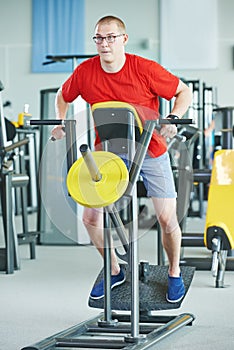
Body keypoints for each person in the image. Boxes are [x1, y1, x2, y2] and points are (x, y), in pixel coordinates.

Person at [52, 15, 193, 303]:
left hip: (150, 148)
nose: (104, 44)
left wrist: (173, 118)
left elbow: (183, 91)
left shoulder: (144, 69)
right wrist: (60, 121)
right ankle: (114, 268)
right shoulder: (85, 72)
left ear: (123, 40)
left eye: (111, 37)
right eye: (99, 38)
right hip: (108, 152)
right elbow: (63, 95)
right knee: (91, 216)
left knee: (166, 218)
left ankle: (174, 272)